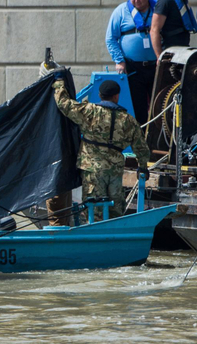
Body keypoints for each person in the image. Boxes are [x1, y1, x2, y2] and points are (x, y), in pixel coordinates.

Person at [53, 77, 151, 221]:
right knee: (115, 212)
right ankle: (114, 239)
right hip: (115, 171)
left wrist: (58, 83)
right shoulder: (128, 120)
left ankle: (93, 239)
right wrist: (142, 167)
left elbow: (65, 105)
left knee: (94, 210)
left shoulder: (89, 112)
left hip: (92, 170)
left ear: (100, 95)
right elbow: (142, 148)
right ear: (116, 96)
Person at [105, 0, 158, 125]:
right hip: (133, 68)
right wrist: (119, 61)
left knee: (159, 107)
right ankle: (141, 141)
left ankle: (158, 142)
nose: (136, 1)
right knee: (139, 109)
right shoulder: (121, 11)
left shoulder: (158, 8)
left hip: (156, 66)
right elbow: (110, 38)